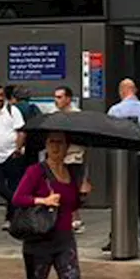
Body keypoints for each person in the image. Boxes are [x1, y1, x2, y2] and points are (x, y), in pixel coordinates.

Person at [0, 131, 96, 279]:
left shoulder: (72, 173)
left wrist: (82, 195)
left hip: (64, 239)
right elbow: (18, 198)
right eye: (51, 142)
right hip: (39, 240)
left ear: (68, 146)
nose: (55, 146)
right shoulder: (36, 172)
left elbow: (70, 206)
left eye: (60, 142)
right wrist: (43, 200)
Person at [106, 79, 140, 252]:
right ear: (135, 90)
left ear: (121, 91)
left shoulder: (114, 110)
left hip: (121, 160)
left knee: (120, 199)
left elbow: (109, 133)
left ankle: (116, 237)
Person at [0, 85, 26, 230]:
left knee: (13, 185)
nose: (0, 98)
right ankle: (19, 203)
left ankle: (11, 218)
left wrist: (18, 149)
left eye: (1, 95)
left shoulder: (12, 111)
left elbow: (21, 131)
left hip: (11, 155)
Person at [53, 86, 88, 233]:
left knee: (72, 189)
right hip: (58, 158)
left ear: (68, 98)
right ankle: (66, 218)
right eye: (55, 97)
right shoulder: (55, 115)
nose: (56, 101)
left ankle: (75, 219)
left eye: (60, 97)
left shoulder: (77, 116)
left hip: (73, 157)